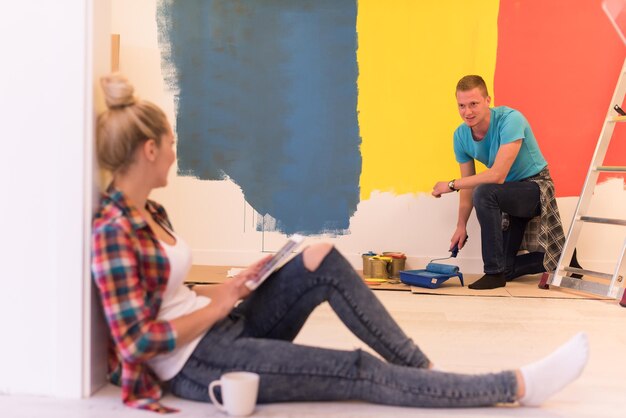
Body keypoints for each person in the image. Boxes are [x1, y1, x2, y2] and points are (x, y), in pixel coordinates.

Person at [92, 73, 589, 413]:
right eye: (171, 143)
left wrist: (236, 287)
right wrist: (218, 302)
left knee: (318, 256)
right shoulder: (113, 231)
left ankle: (423, 373)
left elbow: (166, 297)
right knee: (356, 370)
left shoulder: (150, 211)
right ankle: (515, 387)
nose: (177, 151)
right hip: (195, 361)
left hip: (220, 326)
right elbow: (136, 341)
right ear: (149, 149)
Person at [432, 75, 571, 290]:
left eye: (473, 104)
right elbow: (468, 185)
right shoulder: (460, 136)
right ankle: (565, 257)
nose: (467, 112)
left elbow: (497, 175)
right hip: (506, 194)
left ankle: (493, 273)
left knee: (485, 192)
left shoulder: (511, 120)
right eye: (461, 105)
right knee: (508, 268)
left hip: (535, 188)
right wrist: (461, 224)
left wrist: (450, 185)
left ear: (488, 100)